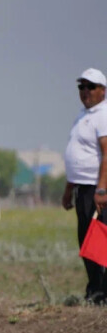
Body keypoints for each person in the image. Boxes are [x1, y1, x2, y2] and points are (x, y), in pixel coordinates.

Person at [63, 68, 107, 305]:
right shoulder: (83, 115)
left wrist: (102, 189)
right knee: (86, 241)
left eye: (91, 87)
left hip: (96, 189)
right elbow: (76, 155)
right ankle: (95, 290)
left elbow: (106, 153)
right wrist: (68, 190)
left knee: (99, 242)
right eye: (82, 87)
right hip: (81, 188)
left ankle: (101, 292)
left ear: (103, 90)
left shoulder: (103, 115)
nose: (85, 91)